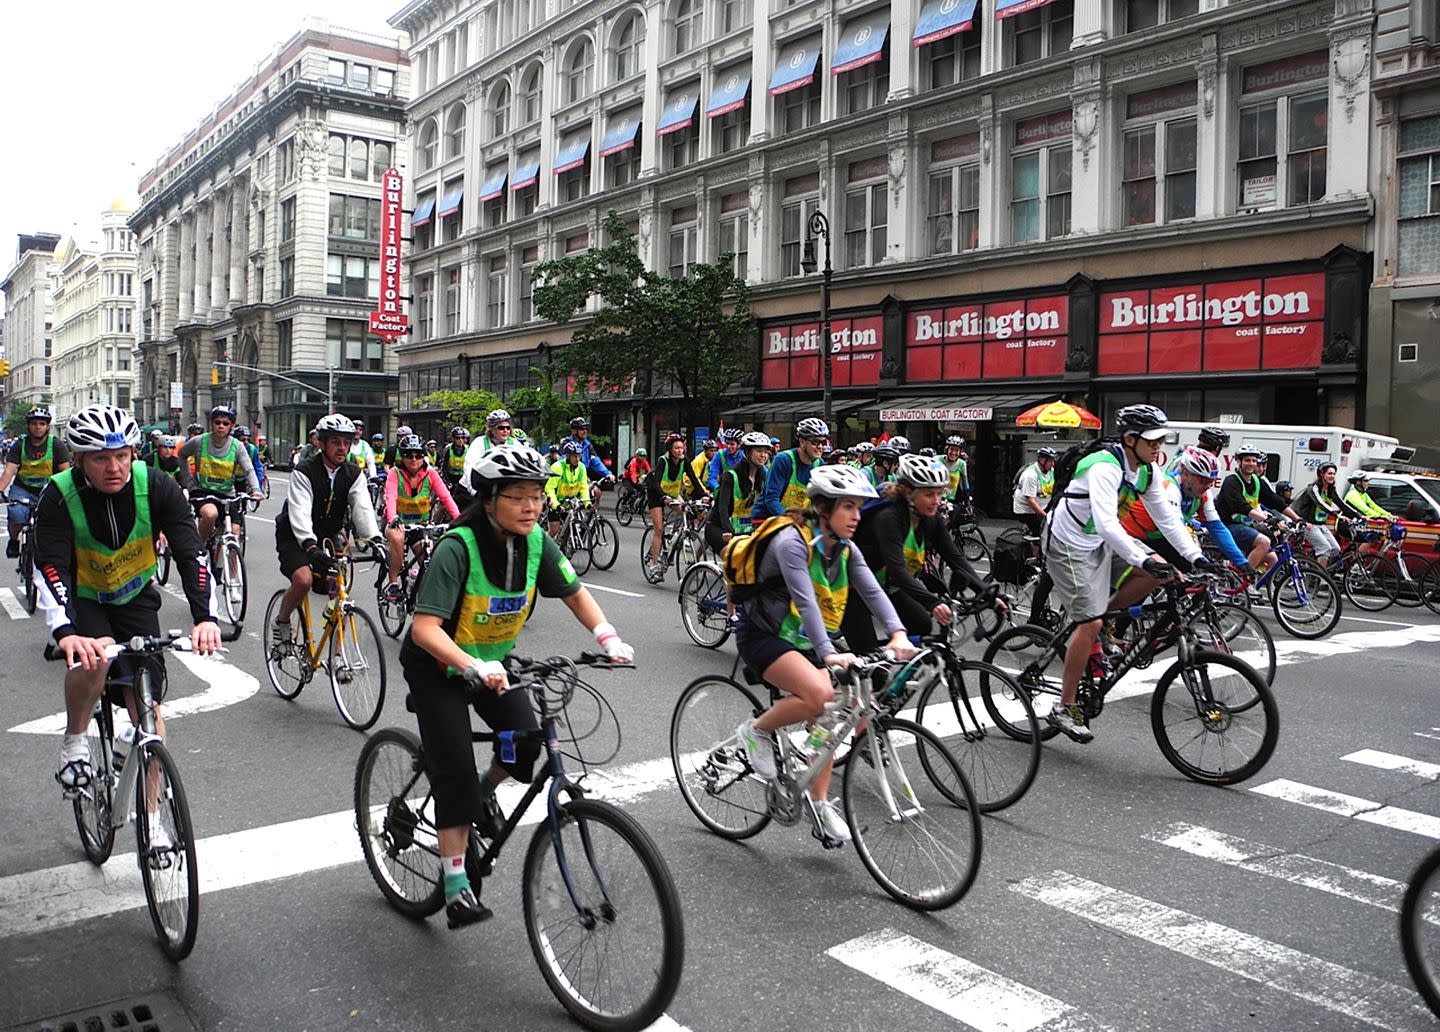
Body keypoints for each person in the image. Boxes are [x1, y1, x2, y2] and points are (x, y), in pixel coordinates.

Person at [400, 445, 634, 927]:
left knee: (525, 744)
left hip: (493, 664)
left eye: (538, 496)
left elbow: (574, 591)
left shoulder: (536, 544)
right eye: (519, 497)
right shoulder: (456, 548)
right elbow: (424, 629)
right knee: (454, 772)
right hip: (438, 667)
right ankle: (455, 882)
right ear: (488, 500)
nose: (532, 507)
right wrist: (471, 665)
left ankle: (484, 792)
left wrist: (607, 637)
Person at [34, 405, 221, 795]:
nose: (114, 467)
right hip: (84, 598)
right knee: (96, 655)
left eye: (121, 455)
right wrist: (65, 631)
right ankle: (74, 743)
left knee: (150, 717)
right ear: (80, 460)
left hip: (134, 596)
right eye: (101, 458)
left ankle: (154, 830)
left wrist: (206, 617)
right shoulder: (59, 494)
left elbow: (191, 553)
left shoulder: (155, 485)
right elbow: (50, 566)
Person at [732, 464, 918, 846]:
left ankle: (819, 804)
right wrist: (830, 654)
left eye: (859, 507)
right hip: (764, 635)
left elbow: (873, 592)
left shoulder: (846, 549)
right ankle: (755, 731)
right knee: (822, 697)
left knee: (842, 708)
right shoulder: (792, 543)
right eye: (847, 507)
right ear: (823, 508)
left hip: (804, 642)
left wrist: (897, 633)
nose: (855, 516)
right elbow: (806, 601)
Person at [1043, 405, 1206, 743]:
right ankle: (1064, 706)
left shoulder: (1146, 470)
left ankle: (1104, 626)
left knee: (1164, 573)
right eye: (1152, 441)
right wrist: (1141, 558)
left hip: (1098, 540)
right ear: (1130, 439)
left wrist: (1196, 557)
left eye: (1162, 440)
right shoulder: (1103, 466)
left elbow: (1167, 519)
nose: (1158, 447)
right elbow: (1107, 524)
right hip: (1067, 543)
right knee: (1089, 622)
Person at [843, 454, 999, 651]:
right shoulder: (889, 518)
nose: (937, 501)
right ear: (908, 492)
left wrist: (987, 595)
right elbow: (898, 571)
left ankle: (904, 675)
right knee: (872, 663)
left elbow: (955, 559)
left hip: (886, 586)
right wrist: (932, 602)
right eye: (929, 495)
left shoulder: (929, 518)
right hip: (853, 589)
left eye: (939, 493)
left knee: (922, 624)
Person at [270, 414, 384, 642]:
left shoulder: (353, 473)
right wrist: (310, 547)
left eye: (347, 442)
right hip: (295, 535)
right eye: (335, 442)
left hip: (329, 535)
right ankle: (282, 622)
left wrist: (376, 541)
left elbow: (362, 508)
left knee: (338, 593)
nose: (342, 448)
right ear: (321, 443)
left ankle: (337, 653)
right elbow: (300, 511)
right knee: (303, 580)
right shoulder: (305, 470)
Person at [382, 435, 461, 597]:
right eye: (409, 455)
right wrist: (392, 519)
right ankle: (393, 582)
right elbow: (390, 497)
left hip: (420, 524)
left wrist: (459, 519)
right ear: (402, 456)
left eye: (418, 455)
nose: (414, 459)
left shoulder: (430, 473)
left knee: (429, 557)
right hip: (397, 523)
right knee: (397, 539)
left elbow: (445, 497)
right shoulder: (395, 473)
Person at [178, 405, 262, 546]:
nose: (221, 426)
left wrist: (256, 490)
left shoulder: (237, 446)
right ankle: (200, 548)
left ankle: (232, 565)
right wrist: (188, 482)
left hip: (227, 493)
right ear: (212, 424)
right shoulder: (199, 441)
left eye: (225, 423)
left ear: (232, 426)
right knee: (210, 515)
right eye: (217, 422)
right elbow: (182, 455)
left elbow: (249, 469)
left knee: (235, 532)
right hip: (203, 491)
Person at [0, 407, 71, 558]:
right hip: (23, 488)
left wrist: (69, 495)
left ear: (47, 427)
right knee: (17, 514)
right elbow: (9, 471)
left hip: (49, 489)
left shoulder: (57, 445)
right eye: (34, 424)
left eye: (42, 424)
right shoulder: (20, 444)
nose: (38, 427)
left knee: (55, 521)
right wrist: (0, 491)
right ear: (28, 426)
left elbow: (66, 473)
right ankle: (13, 541)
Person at [1215, 445, 1297, 570]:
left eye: (1254, 461)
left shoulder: (1258, 481)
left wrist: (1297, 518)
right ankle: (1244, 579)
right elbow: (1241, 506)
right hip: (1228, 525)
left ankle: (1266, 588)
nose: (1251, 464)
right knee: (1263, 542)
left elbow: (1276, 502)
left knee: (1272, 559)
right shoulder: (1231, 481)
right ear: (1239, 461)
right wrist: (1266, 519)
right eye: (1247, 460)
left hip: (1246, 526)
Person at [645, 433, 707, 574]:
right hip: (656, 495)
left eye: (681, 448)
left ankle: (674, 538)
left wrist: (704, 495)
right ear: (670, 449)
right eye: (676, 448)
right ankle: (654, 564)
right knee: (659, 529)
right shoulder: (663, 461)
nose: (680, 451)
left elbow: (693, 479)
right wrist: (664, 497)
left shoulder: (684, 461)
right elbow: (655, 483)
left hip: (673, 494)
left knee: (688, 512)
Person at [707, 431, 772, 555]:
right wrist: (727, 530)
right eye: (759, 451)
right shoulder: (730, 476)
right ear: (747, 453)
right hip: (720, 527)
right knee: (734, 561)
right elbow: (723, 507)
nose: (763, 455)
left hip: (744, 529)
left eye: (766, 452)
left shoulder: (763, 475)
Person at [754, 417, 829, 520]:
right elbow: (771, 499)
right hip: (768, 518)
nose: (820, 447)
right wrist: (791, 521)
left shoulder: (819, 464)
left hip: (796, 520)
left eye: (824, 442)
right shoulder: (783, 460)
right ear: (802, 441)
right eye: (815, 442)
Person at [1292, 463, 1365, 566]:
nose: (1332, 476)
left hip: (1321, 524)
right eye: (1329, 473)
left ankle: (1313, 565)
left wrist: (1358, 516)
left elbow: (1342, 504)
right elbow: (1320, 504)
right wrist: (1337, 515)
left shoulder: (1331, 490)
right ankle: (1321, 578)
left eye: (1334, 474)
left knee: (1335, 549)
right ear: (1322, 474)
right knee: (1325, 548)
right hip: (1307, 524)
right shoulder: (1313, 489)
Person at [545, 440, 594, 537]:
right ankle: (542, 548)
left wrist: (587, 503)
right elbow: (549, 488)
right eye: (575, 456)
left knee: (569, 528)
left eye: (579, 456)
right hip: (556, 502)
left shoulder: (581, 468)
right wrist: (556, 505)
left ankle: (563, 549)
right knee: (554, 530)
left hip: (569, 503)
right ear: (568, 456)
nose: (577, 459)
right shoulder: (557, 467)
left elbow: (583, 487)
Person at [459, 410, 513, 490]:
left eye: (508, 428)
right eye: (501, 428)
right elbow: (469, 467)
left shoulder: (514, 444)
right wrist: (474, 491)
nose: (505, 430)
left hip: (498, 488)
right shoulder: (480, 442)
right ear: (492, 430)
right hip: (472, 487)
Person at [1011, 447, 1057, 538]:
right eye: (1050, 461)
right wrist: (1045, 517)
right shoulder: (1030, 475)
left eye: (1053, 461)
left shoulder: (1051, 471)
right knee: (1042, 533)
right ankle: (1035, 549)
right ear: (1041, 460)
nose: (1052, 464)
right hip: (1027, 511)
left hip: (1044, 506)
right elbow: (1031, 501)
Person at [558, 416, 612, 483]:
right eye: (581, 429)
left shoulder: (587, 445)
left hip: (582, 476)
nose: (585, 431)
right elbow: (563, 461)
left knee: (596, 491)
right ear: (574, 431)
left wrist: (607, 473)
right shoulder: (566, 443)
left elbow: (595, 461)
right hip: (567, 478)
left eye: (586, 429)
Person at [440, 427, 473, 508]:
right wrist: (447, 482)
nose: (460, 440)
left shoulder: (468, 449)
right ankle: (436, 519)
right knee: (445, 501)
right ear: (453, 439)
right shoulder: (448, 449)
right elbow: (443, 467)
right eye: (457, 438)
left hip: (462, 478)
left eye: (463, 437)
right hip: (450, 477)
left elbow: (472, 465)